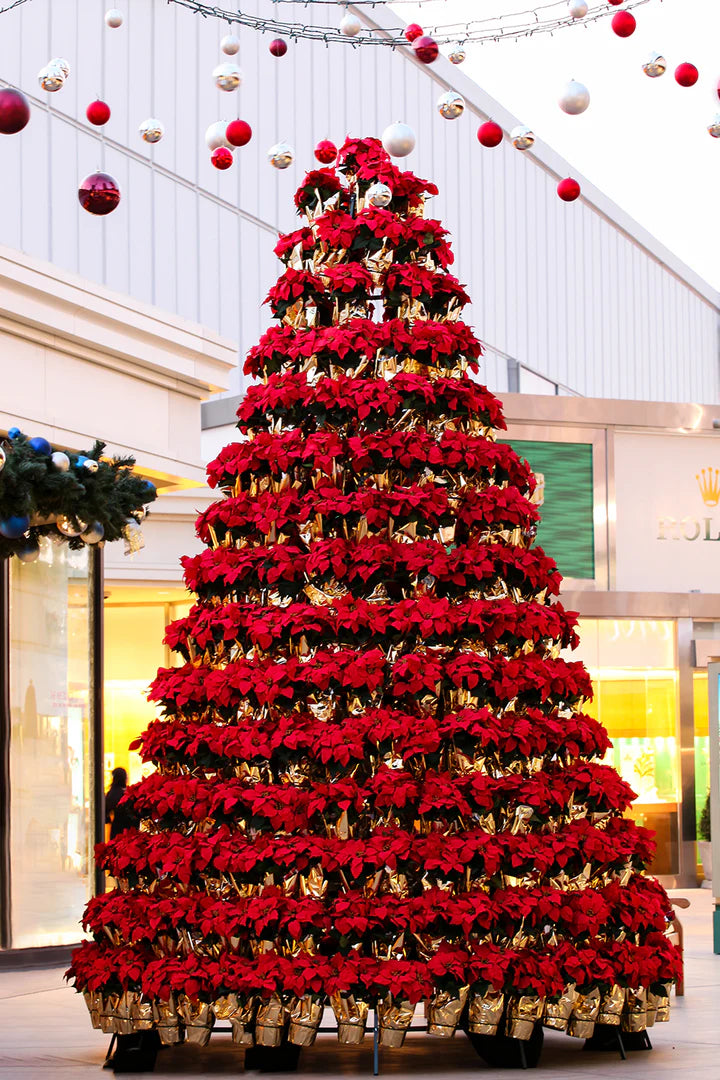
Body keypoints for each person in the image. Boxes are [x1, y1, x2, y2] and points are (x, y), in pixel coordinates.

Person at [105, 767, 137, 839]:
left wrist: (109, 820)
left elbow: (106, 814)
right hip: (129, 827)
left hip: (116, 827)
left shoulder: (111, 793)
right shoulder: (128, 794)